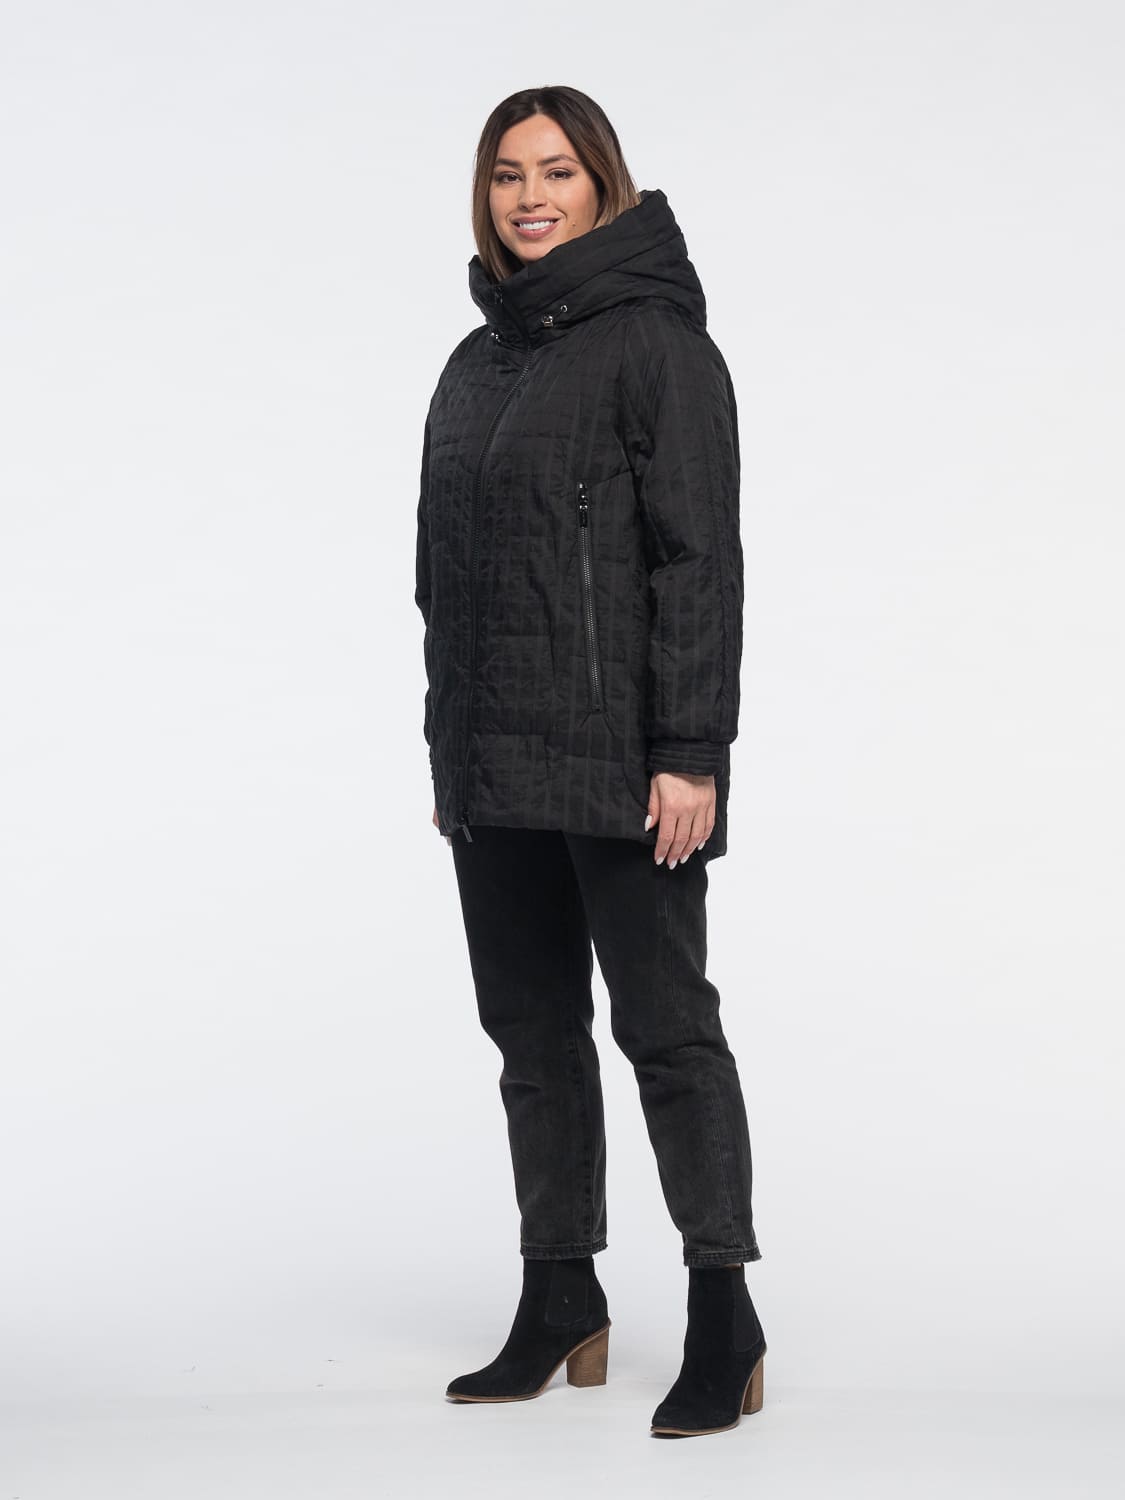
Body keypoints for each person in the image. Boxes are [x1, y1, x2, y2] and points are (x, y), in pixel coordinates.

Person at [413, 85, 767, 1438]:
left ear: (603, 183)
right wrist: (450, 748)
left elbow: (698, 561)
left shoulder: (657, 345)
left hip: (624, 760)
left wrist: (689, 752)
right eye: (508, 174)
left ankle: (724, 1313)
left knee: (666, 1030)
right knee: (530, 1032)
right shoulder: (476, 361)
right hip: (493, 759)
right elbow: (443, 577)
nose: (529, 197)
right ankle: (559, 1291)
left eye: (556, 171)